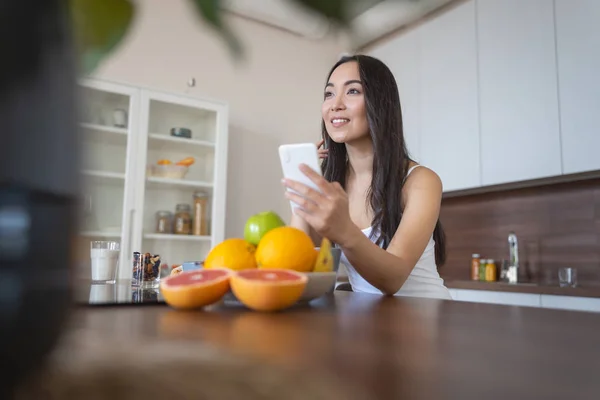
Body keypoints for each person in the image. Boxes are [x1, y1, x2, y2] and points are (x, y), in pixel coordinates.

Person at [281, 54, 452, 300]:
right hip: (370, 323)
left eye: (352, 92)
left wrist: (344, 231)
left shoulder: (421, 181)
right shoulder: (333, 187)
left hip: (426, 320)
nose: (335, 104)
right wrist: (304, 188)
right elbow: (297, 263)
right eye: (329, 94)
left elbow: (393, 279)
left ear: (379, 103)